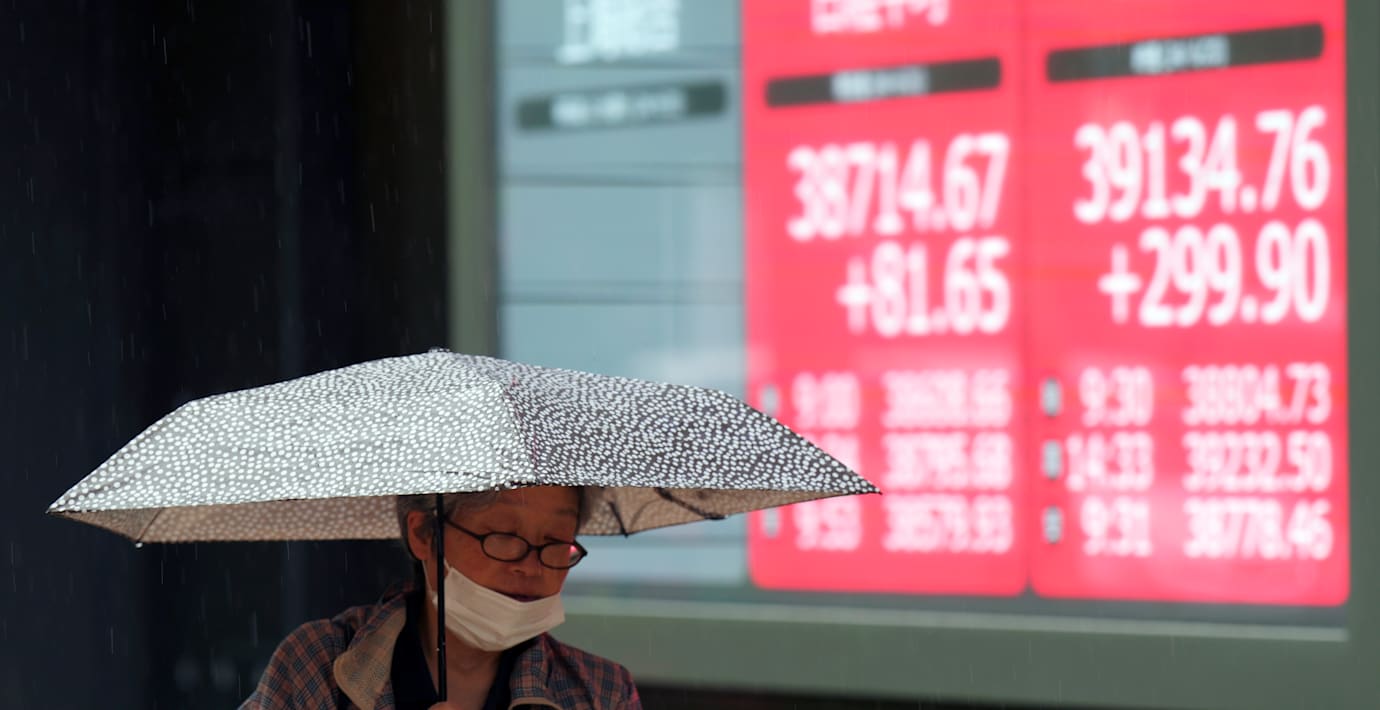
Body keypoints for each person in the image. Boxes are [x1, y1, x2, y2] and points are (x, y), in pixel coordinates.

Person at [241, 485, 642, 709]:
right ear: (423, 534)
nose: (531, 566)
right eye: (503, 535)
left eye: (555, 541)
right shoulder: (317, 664)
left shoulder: (601, 692)